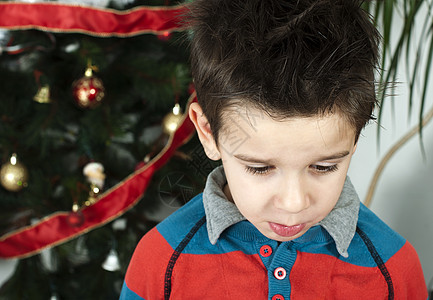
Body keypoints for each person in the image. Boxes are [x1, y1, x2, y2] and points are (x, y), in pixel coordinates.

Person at [120, 0, 428, 299]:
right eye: (260, 167)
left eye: (323, 167)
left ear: (355, 138)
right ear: (208, 133)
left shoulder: (393, 270)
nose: (293, 204)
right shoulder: (161, 263)